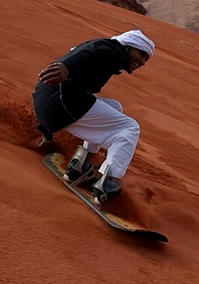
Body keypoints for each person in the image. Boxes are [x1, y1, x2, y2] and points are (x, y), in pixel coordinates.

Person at [33, 29, 154, 204]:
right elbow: (91, 51)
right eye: (141, 54)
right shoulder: (112, 50)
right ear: (128, 47)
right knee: (130, 127)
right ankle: (109, 182)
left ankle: (80, 165)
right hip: (62, 102)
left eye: (146, 59)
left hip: (52, 102)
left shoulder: (108, 50)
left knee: (114, 107)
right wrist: (68, 66)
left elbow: (88, 50)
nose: (142, 62)